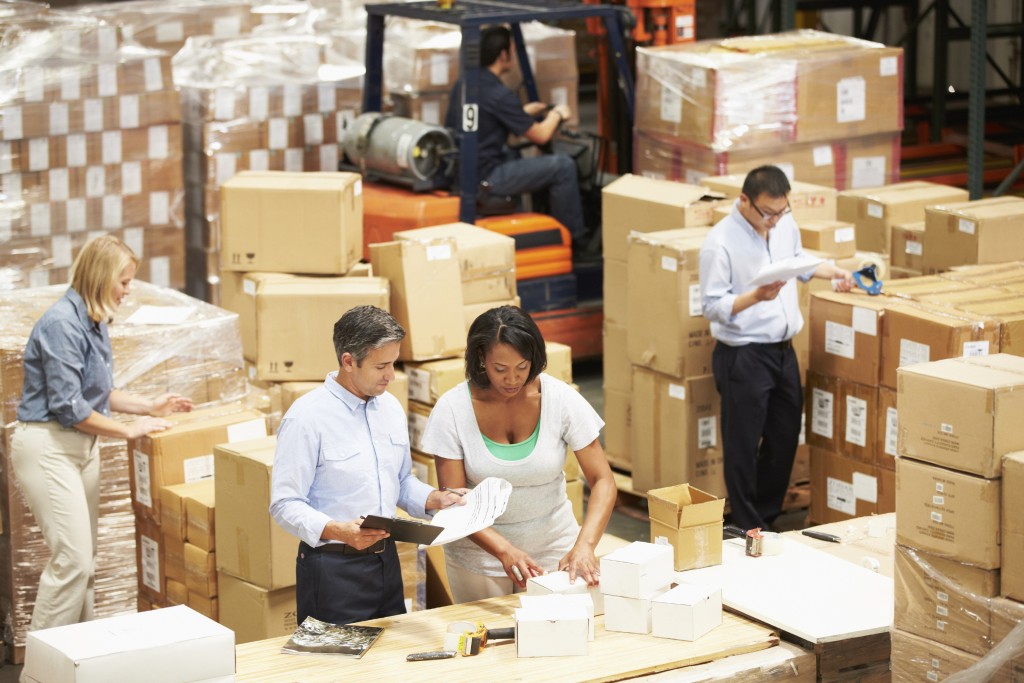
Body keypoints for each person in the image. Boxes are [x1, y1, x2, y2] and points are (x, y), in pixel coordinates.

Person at [11, 234, 193, 631]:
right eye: (124, 282)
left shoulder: (93, 322)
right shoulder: (62, 324)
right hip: (48, 445)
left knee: (85, 563)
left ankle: (79, 660)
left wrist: (149, 405)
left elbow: (97, 393)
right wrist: (129, 431)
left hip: (79, 447)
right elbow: (70, 407)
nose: (128, 291)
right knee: (71, 561)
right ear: (100, 276)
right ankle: (39, 672)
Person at [269, 305, 465, 626]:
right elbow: (284, 504)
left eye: (394, 363)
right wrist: (339, 532)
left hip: (385, 562)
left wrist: (434, 499)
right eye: (381, 366)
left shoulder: (389, 407)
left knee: (390, 663)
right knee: (341, 671)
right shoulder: (306, 418)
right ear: (349, 361)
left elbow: (400, 481)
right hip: (332, 568)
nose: (391, 374)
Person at [419, 305, 617, 603]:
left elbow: (603, 480)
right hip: (479, 561)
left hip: (556, 550)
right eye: (500, 369)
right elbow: (454, 501)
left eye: (522, 367)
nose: (512, 379)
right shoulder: (452, 410)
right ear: (481, 359)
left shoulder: (561, 400)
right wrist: (504, 550)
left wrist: (585, 545)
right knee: (491, 646)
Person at [699, 165, 854, 533]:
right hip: (744, 354)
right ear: (744, 201)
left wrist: (835, 272)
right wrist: (756, 297)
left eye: (780, 212)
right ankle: (748, 526)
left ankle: (765, 517)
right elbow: (712, 306)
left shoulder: (784, 224)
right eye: (767, 213)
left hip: (783, 351)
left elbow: (797, 262)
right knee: (743, 445)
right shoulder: (719, 243)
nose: (773, 221)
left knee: (785, 438)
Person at [445, 25, 590, 253]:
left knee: (514, 152)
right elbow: (541, 136)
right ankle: (576, 242)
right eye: (512, 50)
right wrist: (558, 114)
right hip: (486, 178)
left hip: (464, 172)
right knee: (562, 166)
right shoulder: (500, 94)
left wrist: (524, 112)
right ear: (503, 55)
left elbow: (488, 117)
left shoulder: (465, 84)